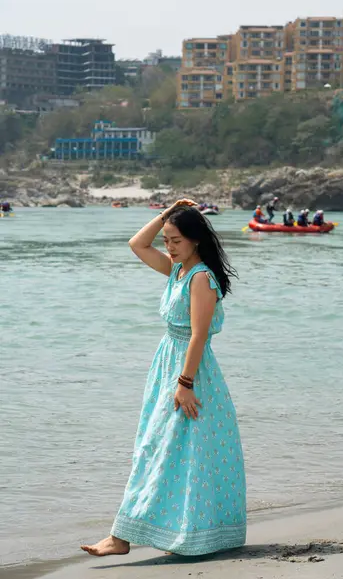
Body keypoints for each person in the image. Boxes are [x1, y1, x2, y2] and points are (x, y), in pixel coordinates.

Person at [81, 199, 247, 557]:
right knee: (166, 450)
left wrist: (185, 385)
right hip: (168, 367)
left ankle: (124, 536)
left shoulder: (201, 278)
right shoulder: (178, 271)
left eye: (175, 240)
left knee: (169, 450)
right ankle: (161, 535)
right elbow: (137, 244)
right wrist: (167, 213)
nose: (168, 247)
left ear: (196, 241)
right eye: (168, 239)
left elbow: (199, 336)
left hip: (189, 371)